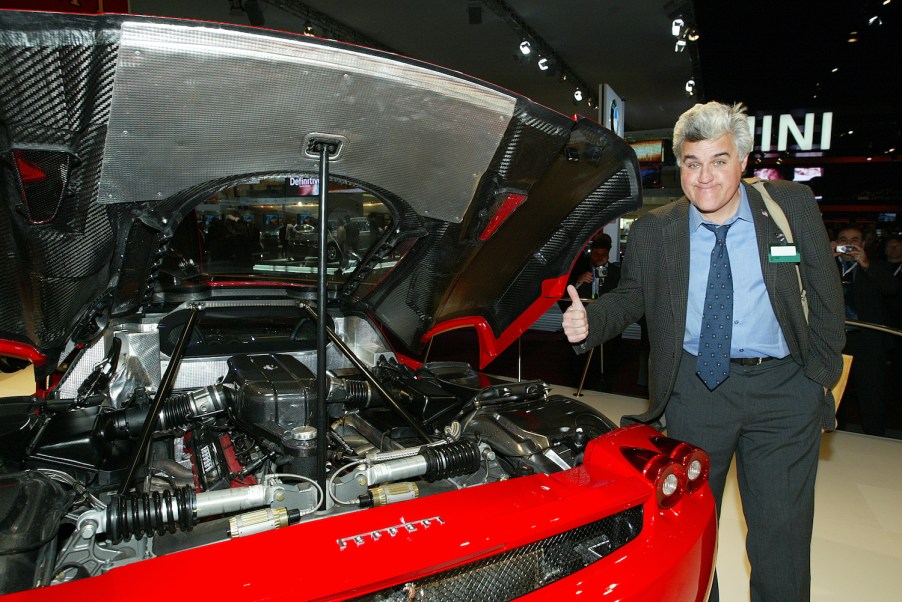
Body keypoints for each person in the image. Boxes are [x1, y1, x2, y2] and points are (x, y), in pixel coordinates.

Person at [562, 101, 845, 602]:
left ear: (743, 161)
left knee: (782, 535)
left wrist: (816, 374)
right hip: (695, 391)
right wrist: (592, 319)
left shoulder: (790, 206)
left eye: (719, 160)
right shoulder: (656, 229)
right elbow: (631, 297)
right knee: (689, 532)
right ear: (680, 166)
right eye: (693, 163)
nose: (705, 176)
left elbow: (826, 293)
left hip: (784, 393)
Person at [833, 224, 900, 436]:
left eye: (854, 240)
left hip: (867, 342)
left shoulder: (876, 267)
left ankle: (874, 440)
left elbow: (891, 288)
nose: (849, 244)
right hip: (836, 341)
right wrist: (826, 257)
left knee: (871, 397)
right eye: (843, 239)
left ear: (862, 244)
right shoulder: (827, 265)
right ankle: (837, 439)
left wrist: (865, 265)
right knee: (837, 396)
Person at [565, 232, 622, 389]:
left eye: (603, 254)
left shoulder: (617, 273)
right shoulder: (577, 272)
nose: (599, 257)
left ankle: (606, 382)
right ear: (591, 253)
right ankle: (580, 382)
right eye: (596, 253)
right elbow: (564, 295)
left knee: (609, 357)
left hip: (609, 323)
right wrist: (578, 281)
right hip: (585, 322)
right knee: (581, 358)